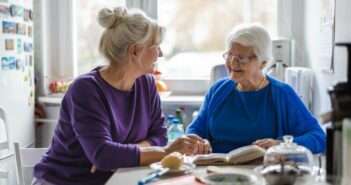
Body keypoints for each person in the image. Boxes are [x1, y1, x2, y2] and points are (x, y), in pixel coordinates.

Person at [32, 7, 203, 185]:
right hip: (66, 181)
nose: (160, 53)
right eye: (155, 46)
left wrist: (119, 156)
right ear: (135, 51)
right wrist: (166, 152)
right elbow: (104, 156)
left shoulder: (147, 84)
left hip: (114, 177)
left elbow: (159, 135)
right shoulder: (85, 90)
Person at [186, 24, 326, 154]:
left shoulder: (282, 93)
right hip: (215, 170)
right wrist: (199, 142)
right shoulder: (218, 90)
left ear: (262, 63)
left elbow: (319, 137)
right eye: (230, 55)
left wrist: (281, 145)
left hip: (262, 174)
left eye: (242, 58)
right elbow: (195, 130)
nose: (233, 63)